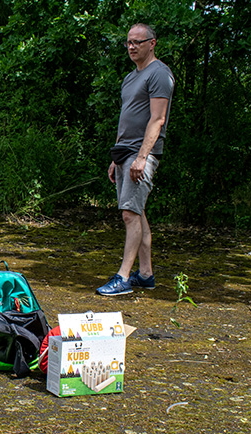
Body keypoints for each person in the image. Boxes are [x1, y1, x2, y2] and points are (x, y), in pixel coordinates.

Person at [97, 23, 174, 296]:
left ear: (152, 43)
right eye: (129, 42)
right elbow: (126, 119)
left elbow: (158, 118)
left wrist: (142, 157)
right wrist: (116, 157)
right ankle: (145, 274)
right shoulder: (131, 78)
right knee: (137, 212)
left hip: (142, 154)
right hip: (125, 154)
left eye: (138, 42)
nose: (132, 47)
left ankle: (123, 277)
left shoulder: (160, 74)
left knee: (129, 213)